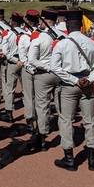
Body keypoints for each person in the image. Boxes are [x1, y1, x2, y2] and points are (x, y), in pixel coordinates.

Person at [50, 10, 94, 171]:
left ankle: (69, 158)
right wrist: (89, 79)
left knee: (66, 120)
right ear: (81, 26)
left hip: (69, 85)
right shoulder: (92, 43)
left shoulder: (62, 43)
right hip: (87, 84)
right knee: (90, 120)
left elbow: (54, 67)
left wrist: (73, 80)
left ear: (68, 26)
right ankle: (92, 159)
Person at [27, 10, 65, 152]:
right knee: (61, 106)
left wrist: (48, 66)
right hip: (60, 74)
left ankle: (42, 138)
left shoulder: (39, 38)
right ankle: (65, 135)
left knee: (42, 106)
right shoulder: (63, 36)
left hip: (43, 74)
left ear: (45, 21)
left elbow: (32, 60)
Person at [17, 10, 40, 134]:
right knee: (40, 97)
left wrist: (29, 67)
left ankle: (30, 121)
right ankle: (40, 122)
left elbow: (23, 57)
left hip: (28, 69)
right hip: (40, 69)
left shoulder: (23, 37)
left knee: (28, 96)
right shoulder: (44, 35)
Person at [0, 12, 24, 123]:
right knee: (27, 90)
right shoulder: (26, 33)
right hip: (23, 63)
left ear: (12, 22)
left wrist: (16, 60)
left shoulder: (7, 34)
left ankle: (9, 113)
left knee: (10, 89)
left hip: (13, 63)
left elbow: (5, 53)